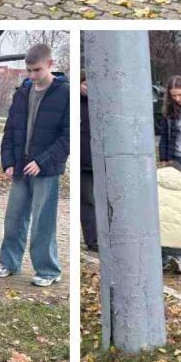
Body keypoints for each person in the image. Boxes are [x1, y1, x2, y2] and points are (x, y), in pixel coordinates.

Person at [0, 44, 70, 287]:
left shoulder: (65, 92)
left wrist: (42, 161)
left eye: (36, 70)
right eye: (28, 71)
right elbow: (11, 130)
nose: (32, 75)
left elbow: (68, 137)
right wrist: (8, 162)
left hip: (46, 170)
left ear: (50, 65)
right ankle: (9, 262)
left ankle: (48, 270)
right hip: (20, 167)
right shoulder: (22, 92)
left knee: (42, 222)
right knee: (13, 218)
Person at [79, 73, 97, 252]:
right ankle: (93, 239)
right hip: (84, 161)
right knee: (88, 201)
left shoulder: (102, 103)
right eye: (85, 84)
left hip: (102, 160)